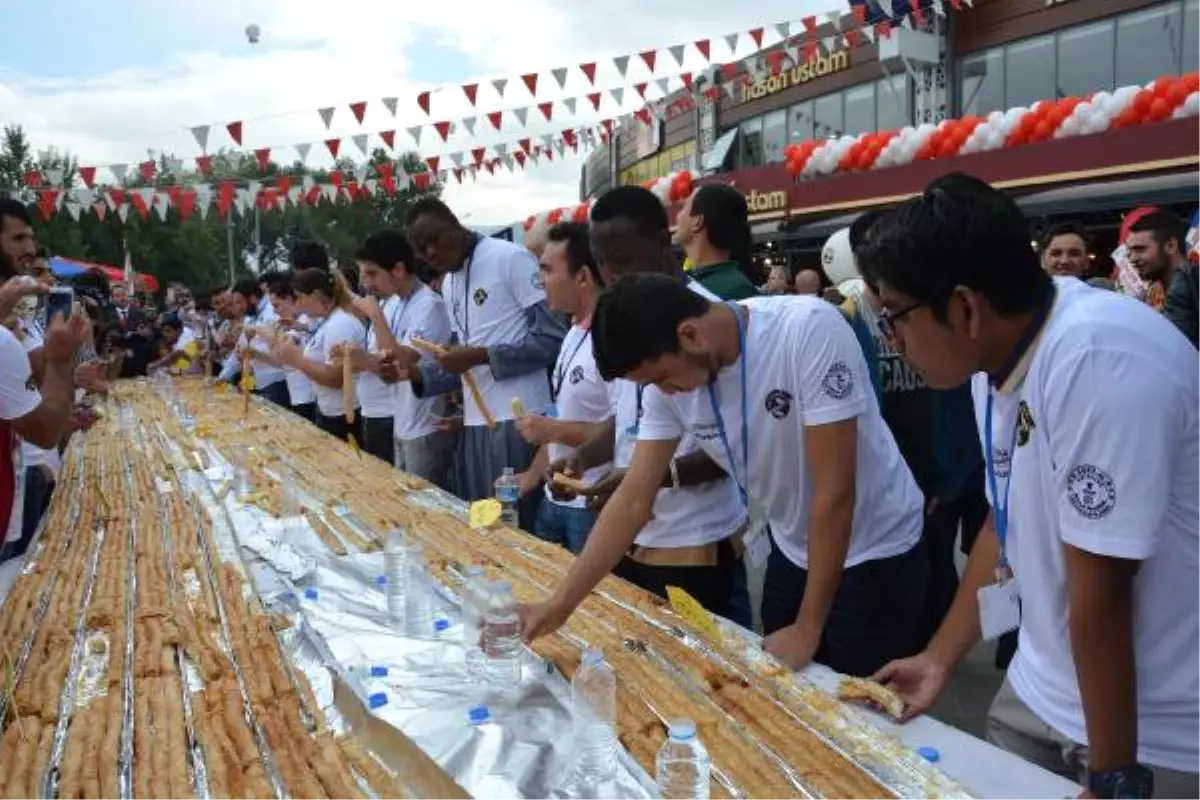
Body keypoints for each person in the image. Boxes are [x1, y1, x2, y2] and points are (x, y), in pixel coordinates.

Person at [861, 173, 1200, 799]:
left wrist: (1114, 775)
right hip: (1039, 692)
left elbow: (1102, 587)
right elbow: (1003, 522)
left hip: (1152, 728)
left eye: (896, 318)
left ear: (964, 306)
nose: (895, 341)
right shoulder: (993, 359)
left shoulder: (1100, 358)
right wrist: (940, 657)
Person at [522, 274, 926, 677]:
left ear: (691, 335)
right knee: (784, 691)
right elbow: (632, 499)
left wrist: (808, 626)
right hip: (793, 546)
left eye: (662, 377)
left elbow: (835, 490)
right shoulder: (666, 387)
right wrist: (559, 606)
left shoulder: (807, 329)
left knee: (863, 708)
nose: (665, 392)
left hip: (874, 550)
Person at [582, 185, 753, 629]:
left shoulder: (714, 324)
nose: (610, 274)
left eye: (621, 261)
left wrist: (660, 475)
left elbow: (739, 443)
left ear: (662, 244)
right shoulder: (621, 320)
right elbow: (630, 419)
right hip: (634, 534)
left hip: (694, 541)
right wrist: (582, 459)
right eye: (601, 262)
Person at [402, 198, 566, 528]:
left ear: (453, 223)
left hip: (519, 421)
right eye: (422, 248)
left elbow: (552, 339)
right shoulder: (449, 282)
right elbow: (462, 361)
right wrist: (415, 373)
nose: (431, 253)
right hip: (475, 425)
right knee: (484, 527)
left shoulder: (509, 258)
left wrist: (480, 355)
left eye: (435, 239)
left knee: (518, 528)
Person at [515, 222, 611, 554]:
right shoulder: (572, 334)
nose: (539, 280)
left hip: (592, 507)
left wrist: (551, 428)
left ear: (583, 277)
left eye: (546, 269)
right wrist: (531, 476)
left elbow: (629, 433)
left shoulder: (611, 340)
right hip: (553, 500)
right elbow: (561, 417)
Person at [352, 230, 454, 486]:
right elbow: (384, 364)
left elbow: (402, 364)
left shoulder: (430, 306)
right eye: (364, 274)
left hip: (426, 428)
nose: (366, 283)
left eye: (372, 273)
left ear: (398, 269)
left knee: (426, 511)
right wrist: (355, 358)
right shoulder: (392, 304)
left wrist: (375, 316)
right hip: (401, 421)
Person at [271, 269, 365, 441]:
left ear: (315, 295)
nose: (297, 305)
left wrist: (297, 359)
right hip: (329, 410)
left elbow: (336, 379)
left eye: (300, 297)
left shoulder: (340, 324)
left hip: (344, 415)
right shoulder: (327, 321)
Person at [1126, 211, 1200, 349]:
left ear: (1170, 246)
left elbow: (1170, 348)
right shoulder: (1152, 294)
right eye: (1129, 252)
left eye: (1140, 249)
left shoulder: (1188, 284)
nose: (1132, 259)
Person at [674, 184, 759, 301]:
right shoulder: (686, 280)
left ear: (697, 222)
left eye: (684, 207)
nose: (677, 216)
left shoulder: (735, 290)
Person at [222, 279, 290, 408]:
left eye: (239, 302)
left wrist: (253, 351)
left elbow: (277, 341)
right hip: (261, 382)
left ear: (252, 298)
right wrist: (223, 377)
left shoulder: (271, 311)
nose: (237, 308)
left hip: (277, 382)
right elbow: (240, 349)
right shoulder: (252, 317)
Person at [268, 275, 317, 421]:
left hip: (308, 395)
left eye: (276, 305)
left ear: (290, 299)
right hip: (297, 393)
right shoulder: (296, 323)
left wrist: (270, 333)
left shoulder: (306, 319)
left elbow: (280, 354)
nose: (275, 311)